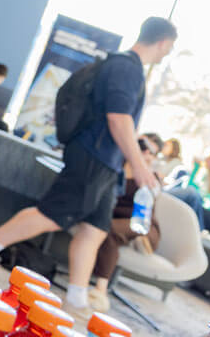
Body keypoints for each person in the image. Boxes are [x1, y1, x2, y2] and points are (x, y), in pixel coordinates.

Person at [0, 16, 178, 317]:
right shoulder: (127, 68)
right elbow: (118, 119)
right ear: (162, 42)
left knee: (95, 230)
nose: (167, 53)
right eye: (169, 47)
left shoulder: (125, 67)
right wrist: (140, 166)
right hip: (94, 157)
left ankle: (77, 298)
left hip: (107, 166)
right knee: (53, 215)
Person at [87, 134, 164, 312]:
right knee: (104, 226)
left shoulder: (151, 177)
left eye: (151, 152)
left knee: (109, 230)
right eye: (142, 146)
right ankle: (130, 240)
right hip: (114, 216)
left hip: (142, 223)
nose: (145, 153)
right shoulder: (116, 164)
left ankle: (100, 290)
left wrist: (144, 167)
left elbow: (151, 198)